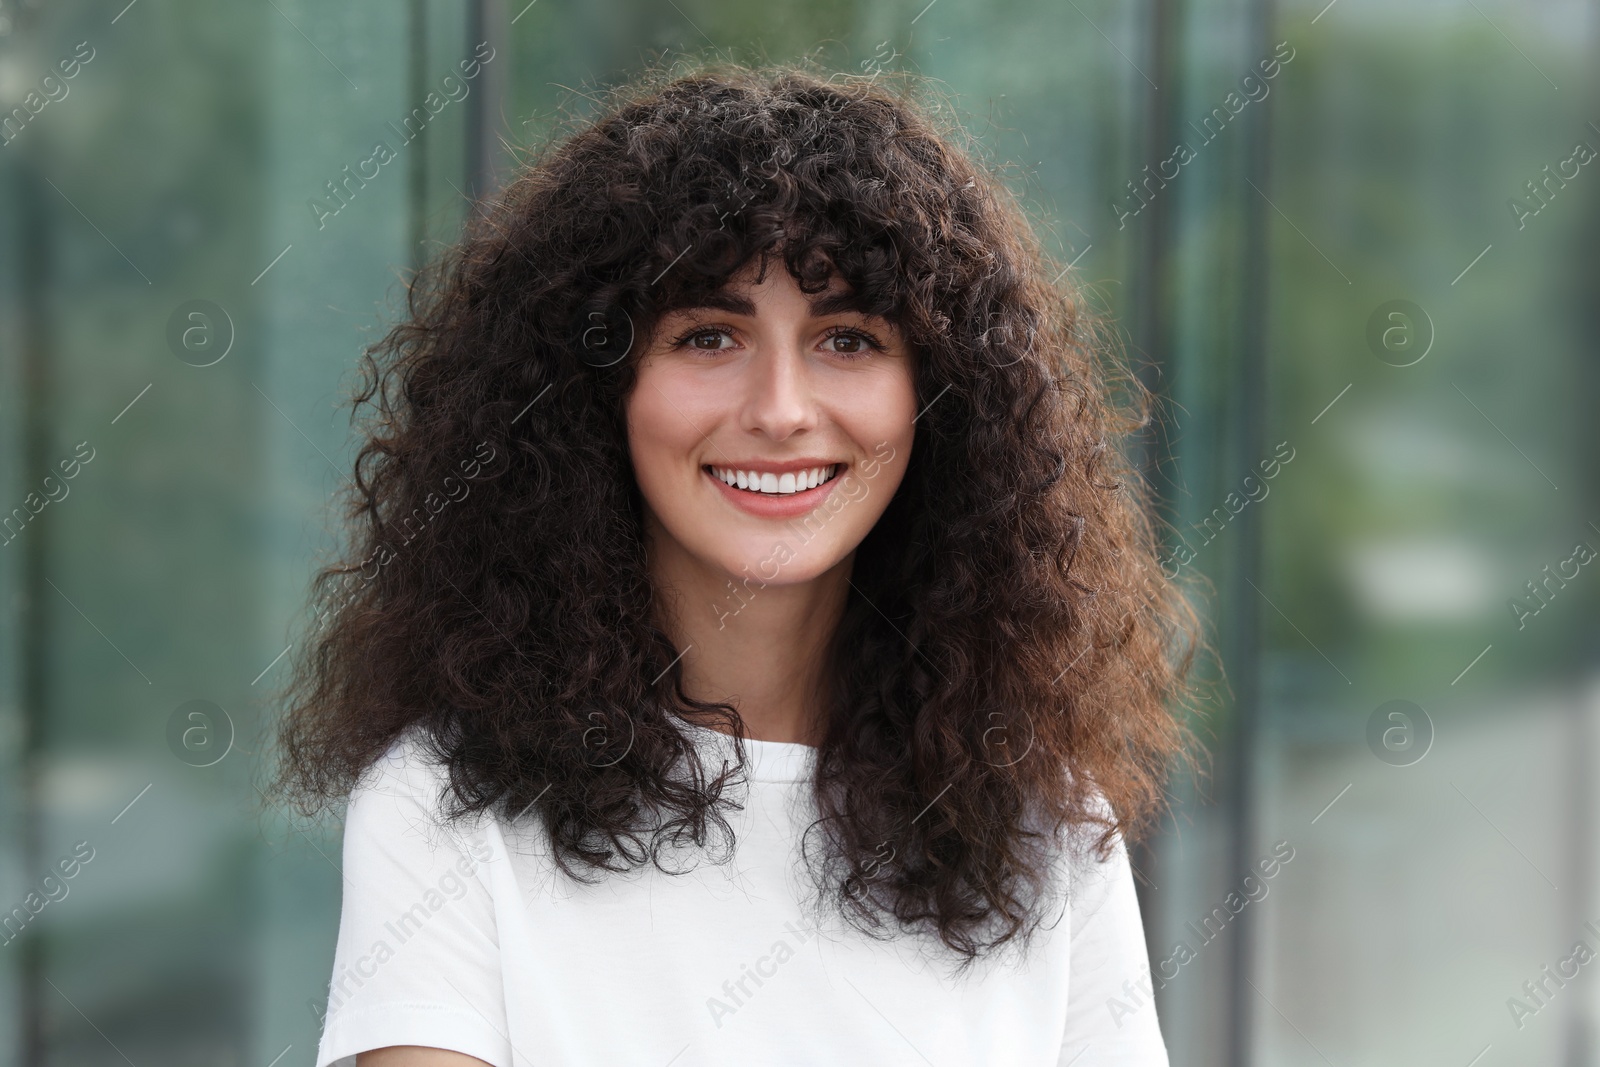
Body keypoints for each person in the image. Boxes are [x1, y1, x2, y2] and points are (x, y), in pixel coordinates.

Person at [264, 57, 1204, 1067]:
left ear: (939, 398)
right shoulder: (445, 803)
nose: (781, 409)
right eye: (708, 335)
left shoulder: (1042, 818)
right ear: (594, 392)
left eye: (847, 338)